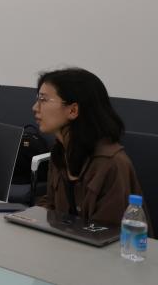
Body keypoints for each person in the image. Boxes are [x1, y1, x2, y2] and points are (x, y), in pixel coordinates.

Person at [34, 68, 148, 226]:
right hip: (67, 238)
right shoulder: (60, 151)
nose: (35, 107)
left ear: (73, 110)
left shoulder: (112, 163)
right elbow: (51, 204)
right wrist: (28, 219)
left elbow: (108, 232)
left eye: (43, 99)